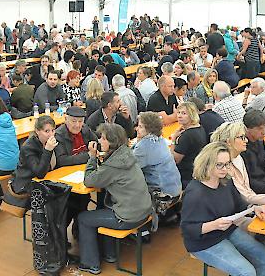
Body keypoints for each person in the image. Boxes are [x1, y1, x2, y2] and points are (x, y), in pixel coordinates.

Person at [181, 142, 265, 276]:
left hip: (227, 231)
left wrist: (253, 208)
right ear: (206, 163)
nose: (225, 169)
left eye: (228, 164)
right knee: (247, 272)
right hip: (204, 242)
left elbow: (239, 205)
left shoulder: (226, 181)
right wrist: (214, 225)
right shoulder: (195, 193)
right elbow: (187, 229)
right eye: (219, 164)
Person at [77, 124, 152, 274]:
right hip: (144, 210)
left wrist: (92, 158)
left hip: (128, 217)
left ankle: (91, 263)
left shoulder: (112, 166)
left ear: (112, 141)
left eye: (103, 138)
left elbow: (89, 181)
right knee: (104, 209)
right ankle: (109, 255)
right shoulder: (126, 154)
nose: (99, 140)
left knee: (83, 218)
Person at [211, 121, 265, 205]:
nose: (246, 140)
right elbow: (245, 197)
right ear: (229, 141)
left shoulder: (238, 158)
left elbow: (248, 191)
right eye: (242, 137)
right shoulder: (224, 167)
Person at [132, 112, 182, 198]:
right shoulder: (159, 139)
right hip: (175, 188)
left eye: (140, 127)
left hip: (163, 194)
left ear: (149, 129)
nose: (136, 129)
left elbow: (129, 167)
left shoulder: (144, 145)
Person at [9, 115, 58, 197]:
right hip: (26, 183)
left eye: (53, 130)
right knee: (57, 194)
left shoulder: (52, 140)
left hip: (46, 178)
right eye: (47, 131)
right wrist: (48, 150)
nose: (51, 134)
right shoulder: (28, 147)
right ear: (37, 131)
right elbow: (40, 173)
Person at [169, 101, 208, 188]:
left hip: (186, 175)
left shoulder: (187, 136)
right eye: (178, 112)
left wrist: (173, 140)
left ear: (191, 115)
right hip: (196, 170)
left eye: (184, 113)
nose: (179, 116)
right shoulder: (199, 127)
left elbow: (174, 160)